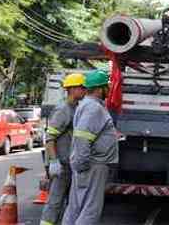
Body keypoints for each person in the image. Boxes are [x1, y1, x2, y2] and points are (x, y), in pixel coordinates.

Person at [62, 70, 119, 225]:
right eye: (107, 86)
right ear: (100, 89)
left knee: (76, 208)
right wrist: (82, 164)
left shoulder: (87, 105)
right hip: (93, 164)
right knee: (90, 210)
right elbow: (82, 137)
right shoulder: (93, 108)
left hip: (87, 163)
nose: (109, 89)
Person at [40, 73, 87, 225]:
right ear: (72, 89)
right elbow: (50, 138)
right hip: (61, 165)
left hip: (70, 164)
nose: (84, 90)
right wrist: (54, 162)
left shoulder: (76, 108)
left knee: (70, 203)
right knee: (55, 202)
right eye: (81, 87)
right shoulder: (63, 110)